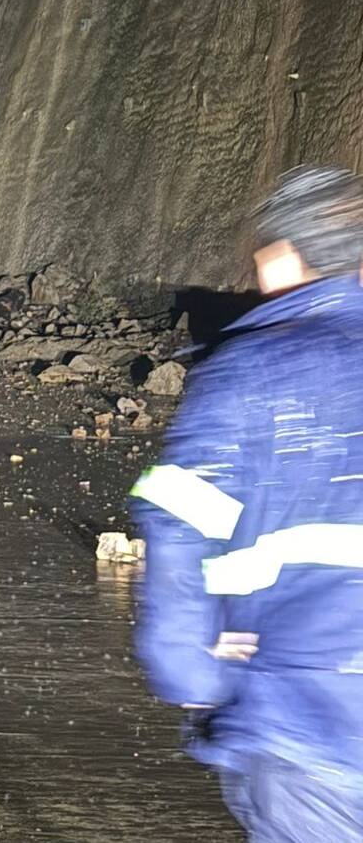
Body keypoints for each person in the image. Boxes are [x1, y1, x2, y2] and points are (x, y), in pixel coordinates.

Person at [132, 165, 363, 841]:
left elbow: (176, 523)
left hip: (307, 729)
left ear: (278, 257)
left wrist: (193, 675)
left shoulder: (251, 371)